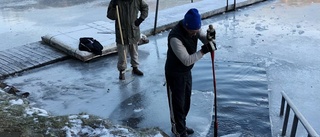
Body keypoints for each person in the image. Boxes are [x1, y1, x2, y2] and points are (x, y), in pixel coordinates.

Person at [165, 8, 216, 137]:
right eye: (192, 32)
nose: (195, 34)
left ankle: (182, 125)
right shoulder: (175, 38)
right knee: (177, 104)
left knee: (186, 101)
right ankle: (178, 130)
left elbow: (202, 36)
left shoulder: (194, 28)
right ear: (187, 26)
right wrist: (204, 50)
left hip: (186, 72)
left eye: (196, 31)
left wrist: (208, 39)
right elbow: (187, 60)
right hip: (175, 73)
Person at [107, 0, 149, 80]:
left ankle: (135, 67)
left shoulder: (137, 1)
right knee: (122, 54)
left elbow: (145, 7)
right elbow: (110, 16)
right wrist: (113, 7)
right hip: (121, 32)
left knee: (134, 52)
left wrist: (140, 19)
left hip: (133, 31)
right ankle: (122, 71)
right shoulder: (116, 1)